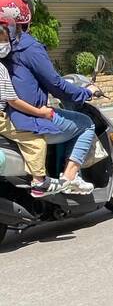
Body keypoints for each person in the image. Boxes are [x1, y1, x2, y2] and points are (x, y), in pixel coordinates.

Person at [0, 0, 96, 195]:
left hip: (7, 118)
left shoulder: (4, 46)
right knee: (86, 125)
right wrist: (86, 92)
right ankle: (70, 178)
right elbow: (55, 84)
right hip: (30, 119)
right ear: (22, 11)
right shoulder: (28, 46)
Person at [0, 19, 62, 196]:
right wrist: (39, 112)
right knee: (35, 141)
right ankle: (39, 182)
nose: (4, 44)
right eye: (3, 40)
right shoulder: (2, 68)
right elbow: (13, 101)